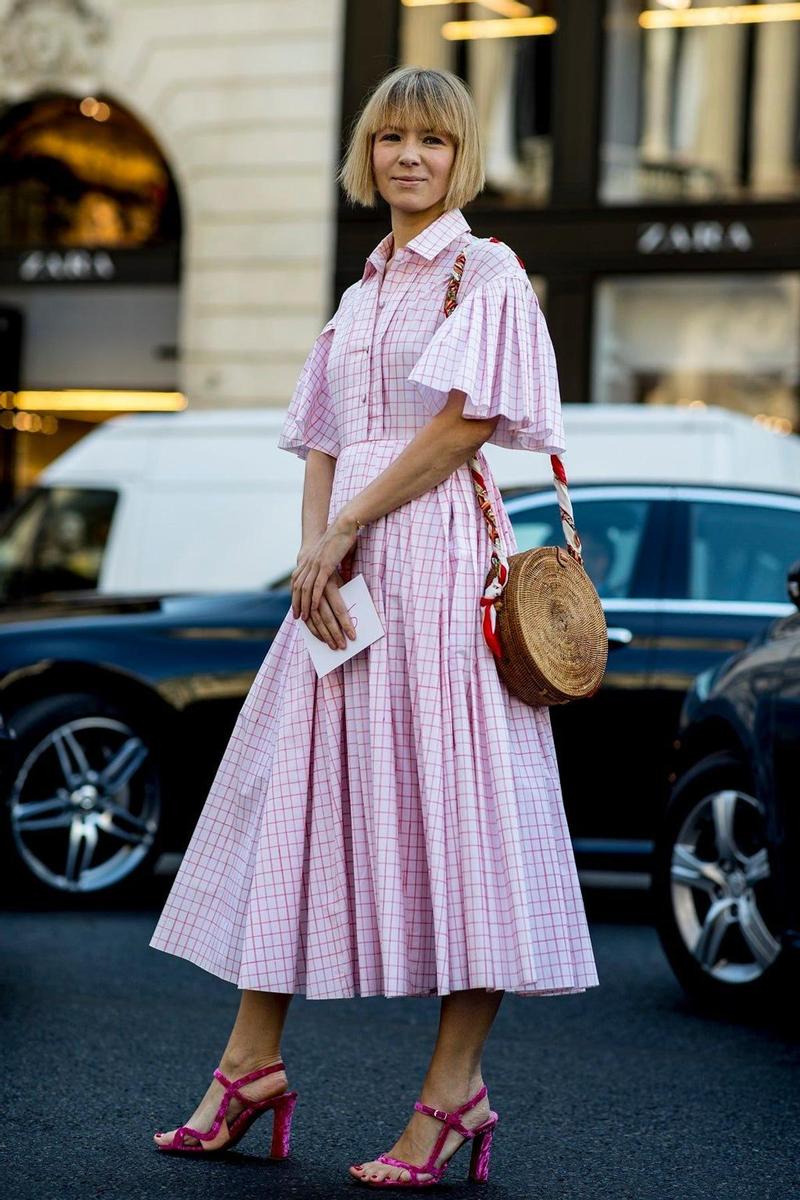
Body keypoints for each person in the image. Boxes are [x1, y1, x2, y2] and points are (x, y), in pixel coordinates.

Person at [149, 64, 599, 1188]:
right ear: (366, 152)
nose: (408, 155)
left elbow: (466, 427)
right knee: (291, 804)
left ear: (460, 157)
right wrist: (317, 548)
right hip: (344, 575)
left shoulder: (485, 271)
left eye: (432, 141)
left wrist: (345, 523)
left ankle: (453, 1095)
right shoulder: (359, 290)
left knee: (464, 818)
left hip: (437, 569)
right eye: (390, 136)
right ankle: (249, 1064)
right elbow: (321, 436)